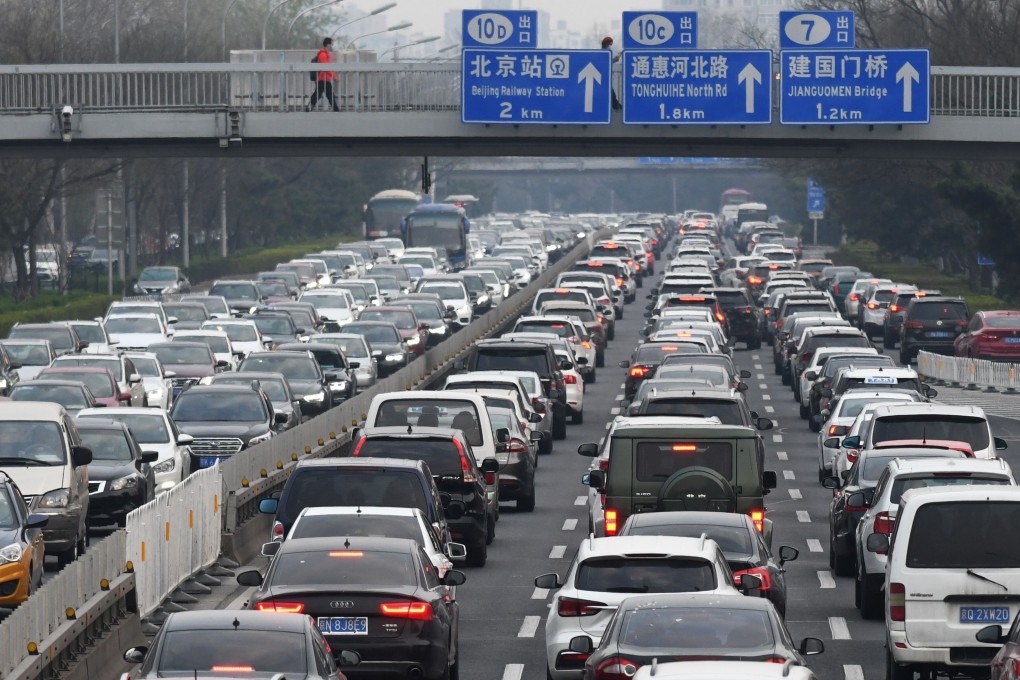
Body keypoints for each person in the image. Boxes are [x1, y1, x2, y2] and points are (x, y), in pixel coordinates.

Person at [308, 37, 340, 112]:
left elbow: (327, 67)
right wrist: (334, 76)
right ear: (327, 44)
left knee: (320, 94)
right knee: (324, 94)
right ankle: (336, 109)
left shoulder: (325, 54)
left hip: (325, 78)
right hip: (323, 78)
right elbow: (325, 67)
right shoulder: (323, 54)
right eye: (331, 44)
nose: (332, 46)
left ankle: (309, 107)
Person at [602, 36, 622, 111]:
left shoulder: (605, 52)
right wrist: (617, 58)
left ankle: (618, 107)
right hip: (603, 79)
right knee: (611, 95)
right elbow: (607, 62)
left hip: (605, 79)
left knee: (612, 95)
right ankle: (618, 107)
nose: (610, 46)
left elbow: (609, 61)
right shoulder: (604, 53)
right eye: (610, 44)